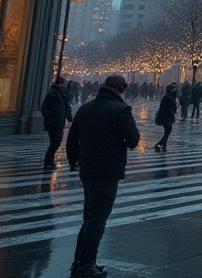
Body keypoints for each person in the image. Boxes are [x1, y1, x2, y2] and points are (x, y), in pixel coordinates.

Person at [67, 75, 140, 277]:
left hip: (87, 169)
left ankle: (79, 262)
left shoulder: (86, 108)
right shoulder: (120, 110)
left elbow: (72, 140)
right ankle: (86, 266)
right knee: (97, 220)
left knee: (89, 219)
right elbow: (133, 140)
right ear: (122, 89)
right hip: (108, 171)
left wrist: (73, 161)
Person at [41, 76, 73, 170]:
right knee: (56, 142)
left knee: (56, 142)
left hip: (58, 122)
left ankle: (49, 161)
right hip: (55, 122)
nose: (66, 85)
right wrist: (54, 116)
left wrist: (69, 118)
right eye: (64, 83)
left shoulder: (60, 94)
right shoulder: (54, 94)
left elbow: (66, 108)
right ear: (61, 83)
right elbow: (45, 109)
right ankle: (48, 161)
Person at [153, 83, 178, 152]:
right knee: (167, 132)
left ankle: (163, 145)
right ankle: (161, 144)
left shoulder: (166, 98)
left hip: (166, 117)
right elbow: (169, 109)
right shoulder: (169, 98)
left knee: (167, 132)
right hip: (166, 118)